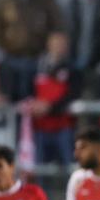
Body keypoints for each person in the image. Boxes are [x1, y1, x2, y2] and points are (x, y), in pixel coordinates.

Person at [30, 30, 81, 165]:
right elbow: (30, 92)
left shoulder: (73, 69)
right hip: (40, 126)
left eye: (62, 44)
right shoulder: (37, 67)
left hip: (63, 126)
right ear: (49, 45)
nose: (58, 47)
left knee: (69, 165)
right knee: (39, 167)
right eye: (55, 43)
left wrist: (50, 107)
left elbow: (72, 95)